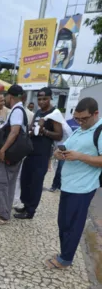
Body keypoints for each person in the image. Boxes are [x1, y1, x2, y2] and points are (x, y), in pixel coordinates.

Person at [47, 97, 102, 269]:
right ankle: (64, 253)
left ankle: (65, 259)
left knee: (73, 224)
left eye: (83, 118)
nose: (80, 122)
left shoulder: (99, 131)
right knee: (63, 222)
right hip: (69, 184)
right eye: (77, 118)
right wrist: (58, 153)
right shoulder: (80, 130)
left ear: (95, 114)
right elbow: (64, 146)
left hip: (83, 187)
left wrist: (80, 156)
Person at [15, 87, 63, 220]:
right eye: (39, 99)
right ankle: (25, 204)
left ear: (50, 98)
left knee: (36, 183)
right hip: (30, 151)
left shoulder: (54, 114)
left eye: (44, 99)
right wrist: (30, 130)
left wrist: (44, 131)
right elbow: (32, 127)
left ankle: (30, 210)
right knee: (25, 179)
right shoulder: (38, 112)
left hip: (42, 153)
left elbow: (59, 135)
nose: (41, 101)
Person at [0, 84, 28, 225]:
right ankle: (6, 212)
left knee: (2, 183)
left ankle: (4, 215)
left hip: (10, 154)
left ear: (11, 96)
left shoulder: (17, 111)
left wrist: (2, 150)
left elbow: (14, 131)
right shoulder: (21, 110)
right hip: (16, 154)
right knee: (10, 183)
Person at [13, 91, 35, 207]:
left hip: (18, 147)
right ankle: (15, 198)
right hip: (19, 147)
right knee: (16, 174)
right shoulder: (15, 110)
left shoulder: (29, 114)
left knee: (18, 174)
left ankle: (16, 198)